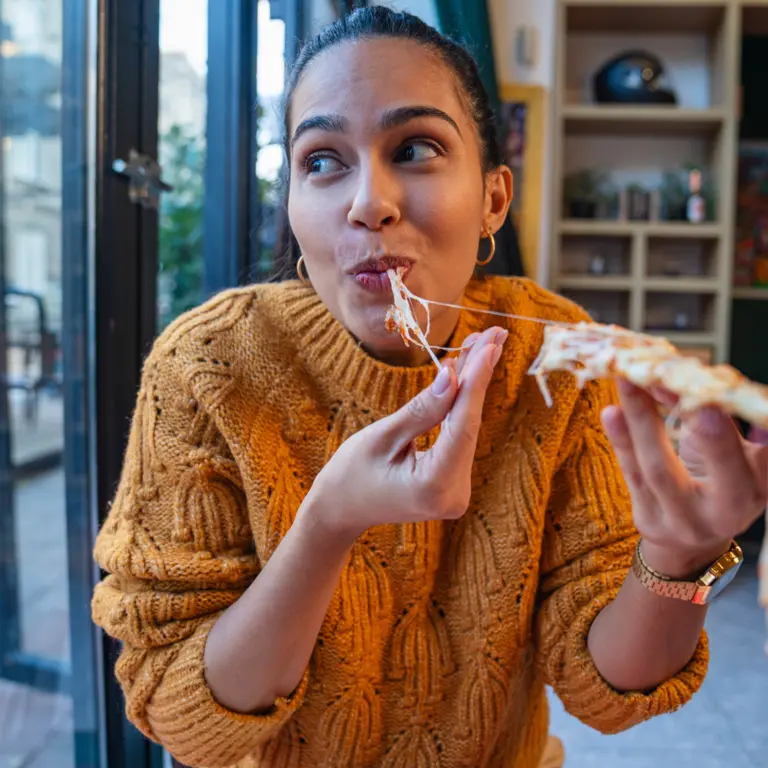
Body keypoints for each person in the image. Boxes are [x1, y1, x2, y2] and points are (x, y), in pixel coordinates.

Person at [91, 8, 768, 768]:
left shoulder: (554, 358)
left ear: (493, 200)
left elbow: (605, 689)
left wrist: (677, 558)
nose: (367, 203)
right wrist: (328, 524)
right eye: (322, 161)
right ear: (291, 203)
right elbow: (184, 720)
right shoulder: (207, 367)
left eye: (414, 149)